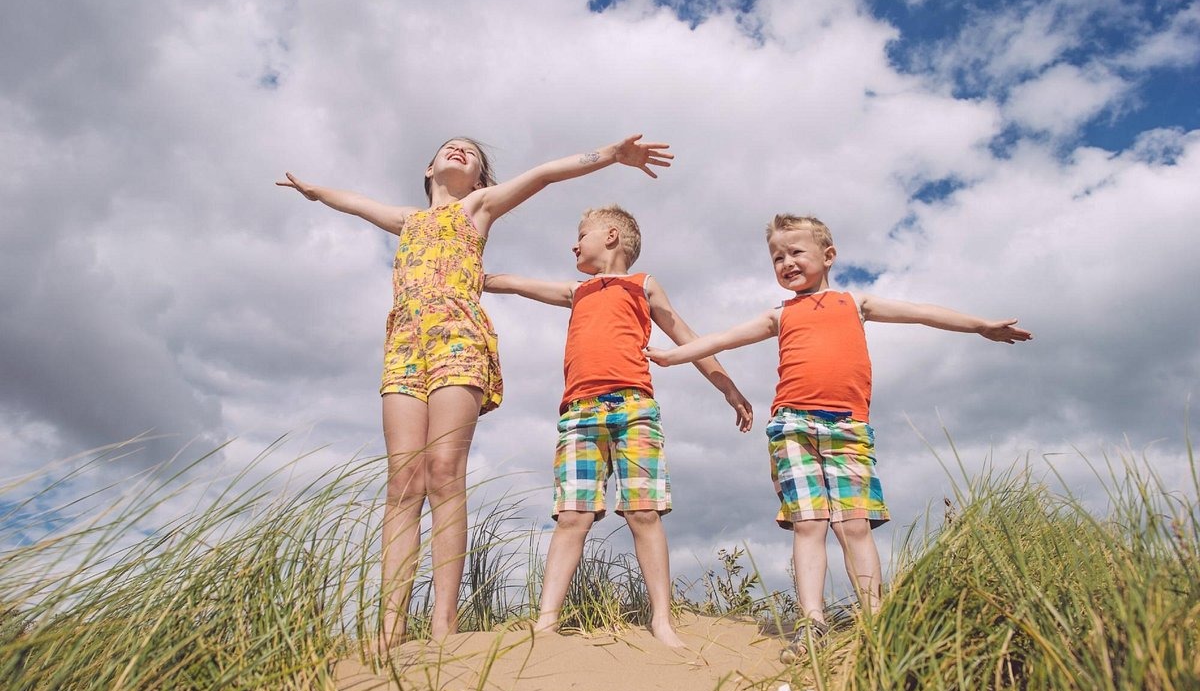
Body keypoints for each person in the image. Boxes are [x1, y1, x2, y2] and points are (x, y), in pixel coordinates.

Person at [277, 136, 673, 652]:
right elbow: (354, 202)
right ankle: (389, 630)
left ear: (482, 180)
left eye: (472, 152)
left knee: (443, 470)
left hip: (457, 340)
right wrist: (316, 192)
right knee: (403, 481)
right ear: (429, 168)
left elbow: (545, 173)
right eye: (450, 147)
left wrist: (609, 155)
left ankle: (444, 626)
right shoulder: (407, 220)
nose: (460, 150)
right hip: (405, 344)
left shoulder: (478, 207)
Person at [645, 214, 1031, 661]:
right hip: (793, 427)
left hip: (848, 428)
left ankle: (875, 622)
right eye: (777, 257)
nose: (787, 263)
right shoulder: (779, 314)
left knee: (854, 525)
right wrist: (673, 356)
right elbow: (723, 339)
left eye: (796, 252)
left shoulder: (855, 302)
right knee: (808, 523)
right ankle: (813, 622)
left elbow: (922, 313)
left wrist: (980, 324)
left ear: (828, 255)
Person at [485, 205, 753, 647]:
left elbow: (688, 338)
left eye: (581, 234)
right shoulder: (577, 291)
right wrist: (469, 273)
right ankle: (546, 622)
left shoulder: (642, 284)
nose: (574, 244)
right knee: (572, 515)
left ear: (611, 236)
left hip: (634, 410)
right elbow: (513, 283)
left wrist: (728, 388)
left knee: (644, 512)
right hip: (579, 414)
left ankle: (661, 620)